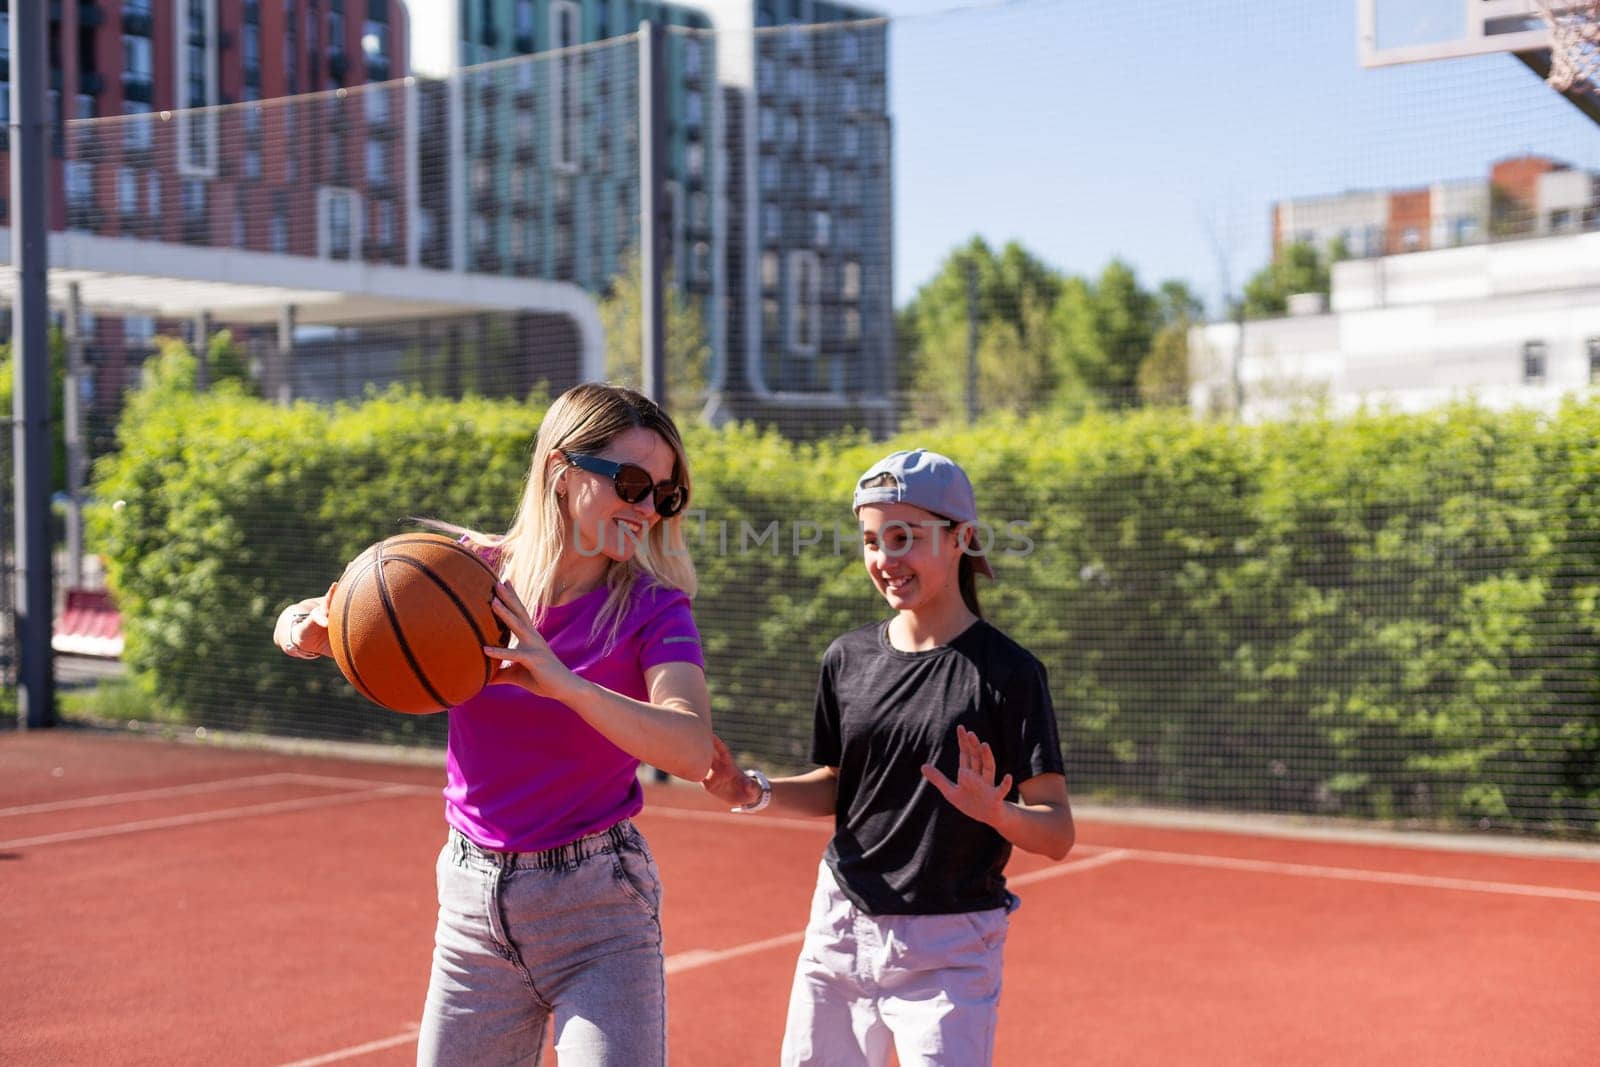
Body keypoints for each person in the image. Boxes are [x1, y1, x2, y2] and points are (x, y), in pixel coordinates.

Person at [274, 383, 712, 1066]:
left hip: (599, 911)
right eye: (631, 483)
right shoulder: (465, 577)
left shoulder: (655, 610)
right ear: (562, 472)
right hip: (471, 905)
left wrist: (563, 685)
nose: (647, 507)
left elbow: (690, 747)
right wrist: (308, 628)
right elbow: (317, 613)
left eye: (665, 493)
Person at [702, 448, 1075, 1067]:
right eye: (872, 540)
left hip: (949, 947)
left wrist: (996, 811)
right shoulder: (846, 659)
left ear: (962, 539)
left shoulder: (1010, 674)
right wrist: (754, 790)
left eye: (904, 538)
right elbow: (836, 787)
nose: (884, 560)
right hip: (840, 930)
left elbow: (1057, 833)